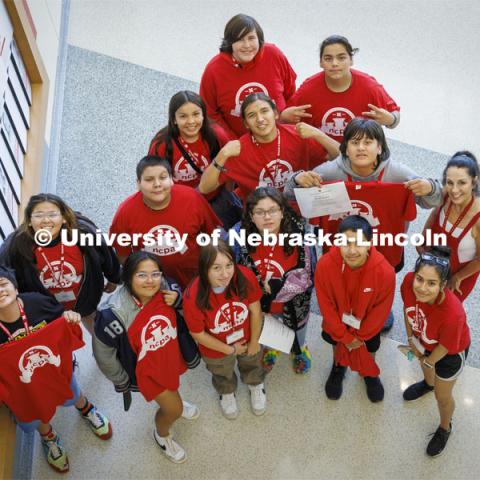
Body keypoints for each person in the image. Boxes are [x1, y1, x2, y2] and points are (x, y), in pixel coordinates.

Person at [284, 118, 443, 330]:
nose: (361, 147)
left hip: (386, 247)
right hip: (343, 249)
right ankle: (345, 312)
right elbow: (290, 195)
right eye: (354, 142)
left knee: (381, 285)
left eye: (368, 142)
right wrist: (297, 180)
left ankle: (380, 311)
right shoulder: (329, 172)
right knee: (345, 284)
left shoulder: (398, 174)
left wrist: (430, 187)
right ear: (345, 149)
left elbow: (433, 200)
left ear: (379, 147)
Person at [0, 266, 112, 474]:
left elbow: (61, 319)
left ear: (16, 289)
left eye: (3, 284)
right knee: (35, 412)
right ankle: (48, 437)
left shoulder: (36, 302)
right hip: (24, 386)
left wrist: (68, 318)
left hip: (55, 368)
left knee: (73, 392)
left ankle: (86, 408)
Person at [93, 252, 199, 464]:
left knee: (173, 387)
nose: (151, 281)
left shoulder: (167, 288)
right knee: (174, 410)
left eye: (155, 274)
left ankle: (173, 398)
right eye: (142, 275)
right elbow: (103, 353)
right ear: (129, 277)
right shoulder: (112, 314)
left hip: (168, 353)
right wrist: (121, 380)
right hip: (147, 370)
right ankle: (162, 435)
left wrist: (178, 301)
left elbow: (186, 313)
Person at [0, 193, 121, 334]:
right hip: (46, 310)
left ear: (63, 217)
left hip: (84, 299)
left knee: (99, 333)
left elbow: (105, 252)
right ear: (29, 220)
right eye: (38, 215)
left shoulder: (83, 232)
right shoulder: (16, 245)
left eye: (52, 214)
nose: (46, 220)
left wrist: (114, 277)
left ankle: (100, 349)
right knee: (57, 341)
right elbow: (3, 272)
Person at [199, 92, 339, 202]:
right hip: (259, 217)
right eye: (252, 115)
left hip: (299, 208)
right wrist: (222, 155)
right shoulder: (238, 149)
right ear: (246, 123)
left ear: (276, 114)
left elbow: (341, 159)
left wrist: (318, 134)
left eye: (264, 111)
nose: (260, 119)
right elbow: (205, 188)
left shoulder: (297, 135)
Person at [233, 187, 314, 374]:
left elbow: (308, 276)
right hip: (259, 304)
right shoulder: (240, 238)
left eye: (273, 210)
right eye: (260, 212)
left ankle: (299, 348)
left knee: (298, 329)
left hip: (293, 303)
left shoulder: (300, 238)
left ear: (282, 212)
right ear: (251, 216)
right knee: (270, 327)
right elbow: (233, 270)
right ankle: (273, 347)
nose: (267, 217)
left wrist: (278, 289)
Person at [315, 216, 395, 402]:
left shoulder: (385, 272)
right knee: (336, 342)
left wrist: (358, 338)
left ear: (370, 244)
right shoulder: (325, 265)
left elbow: (380, 311)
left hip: (367, 330)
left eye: (358, 243)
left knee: (371, 346)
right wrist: (345, 337)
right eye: (345, 243)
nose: (351, 251)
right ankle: (338, 366)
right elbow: (325, 305)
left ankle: (368, 372)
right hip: (337, 325)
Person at [183, 241, 266, 419]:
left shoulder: (245, 276)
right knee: (221, 371)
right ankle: (226, 391)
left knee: (252, 362)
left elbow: (255, 310)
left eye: (229, 265)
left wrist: (254, 341)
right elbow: (197, 333)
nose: (225, 274)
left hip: (247, 335)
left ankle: (255, 384)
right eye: (216, 268)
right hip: (216, 347)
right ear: (204, 269)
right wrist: (230, 350)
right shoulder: (192, 296)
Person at [110, 156, 221, 289]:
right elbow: (123, 255)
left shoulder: (192, 199)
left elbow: (213, 235)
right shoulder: (125, 213)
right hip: (155, 287)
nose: (157, 184)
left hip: (197, 279)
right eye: (149, 179)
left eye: (163, 177)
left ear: (172, 179)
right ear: (138, 183)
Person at [401, 248, 470, 457]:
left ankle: (445, 427)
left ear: (442, 286)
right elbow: (408, 311)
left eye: (431, 283)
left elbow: (446, 347)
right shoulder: (407, 282)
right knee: (426, 369)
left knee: (443, 396)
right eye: (420, 279)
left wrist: (427, 360)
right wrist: (412, 339)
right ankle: (428, 384)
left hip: (449, 353)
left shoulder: (452, 314)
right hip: (424, 339)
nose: (422, 288)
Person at [148, 91, 240, 228]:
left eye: (196, 114)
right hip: (179, 205)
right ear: (174, 119)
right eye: (183, 116)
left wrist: (228, 194)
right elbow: (153, 178)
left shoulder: (216, 135)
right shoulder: (162, 144)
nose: (191, 121)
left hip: (214, 200)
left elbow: (230, 168)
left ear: (203, 115)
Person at [282, 35, 400, 142]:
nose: (335, 63)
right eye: (328, 58)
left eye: (341, 58)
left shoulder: (370, 86)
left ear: (351, 60)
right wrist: (284, 116)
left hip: (360, 158)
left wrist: (391, 119)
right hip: (321, 159)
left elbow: (395, 116)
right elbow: (286, 119)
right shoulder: (308, 89)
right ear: (321, 63)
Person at [200, 13, 298, 138]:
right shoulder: (214, 70)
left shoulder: (274, 55)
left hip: (281, 136)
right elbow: (210, 113)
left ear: (259, 39)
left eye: (251, 38)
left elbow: (291, 93)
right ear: (229, 42)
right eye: (240, 39)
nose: (247, 45)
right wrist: (232, 142)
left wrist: (285, 121)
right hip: (240, 144)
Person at [420, 151, 480, 301]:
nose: (454, 190)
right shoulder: (446, 194)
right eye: (450, 182)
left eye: (462, 183)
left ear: (474, 182)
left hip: (458, 276)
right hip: (433, 266)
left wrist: (458, 277)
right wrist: (423, 239)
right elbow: (434, 215)